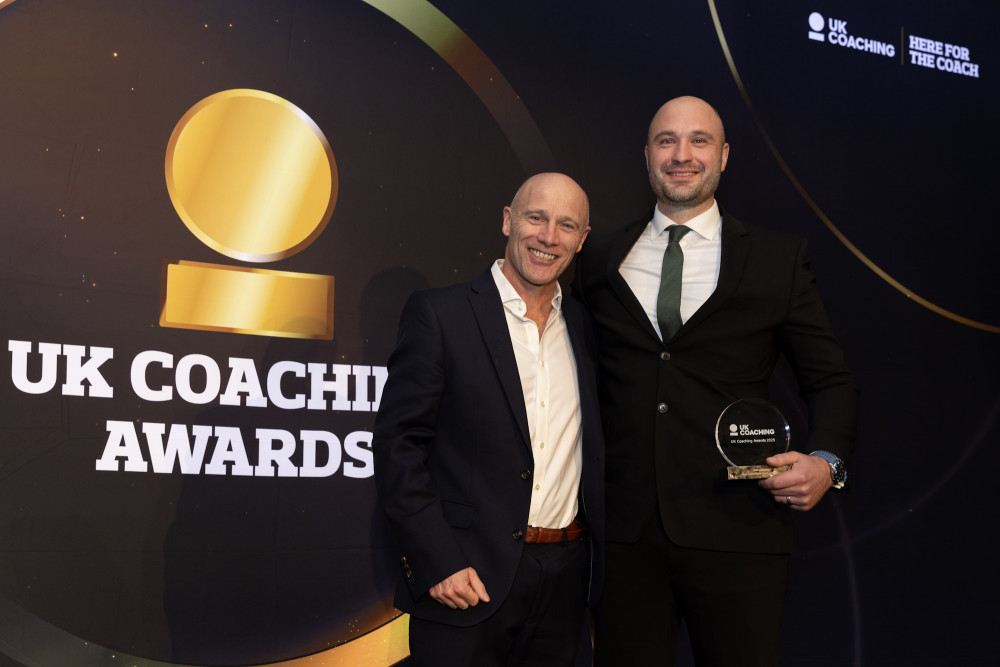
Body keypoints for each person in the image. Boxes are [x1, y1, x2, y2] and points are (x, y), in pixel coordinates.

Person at [572, 96, 858, 665]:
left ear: (724, 156)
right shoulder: (598, 255)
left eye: (699, 140)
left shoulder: (777, 259)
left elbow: (831, 380)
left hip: (741, 528)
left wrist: (827, 462)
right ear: (647, 156)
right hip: (625, 538)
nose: (682, 155)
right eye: (666, 141)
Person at [374, 172, 605, 666]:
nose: (548, 237)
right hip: (465, 580)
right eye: (536, 217)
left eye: (566, 225)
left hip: (565, 581)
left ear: (582, 241)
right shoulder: (441, 314)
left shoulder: (586, 328)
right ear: (507, 220)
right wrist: (437, 561)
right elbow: (398, 447)